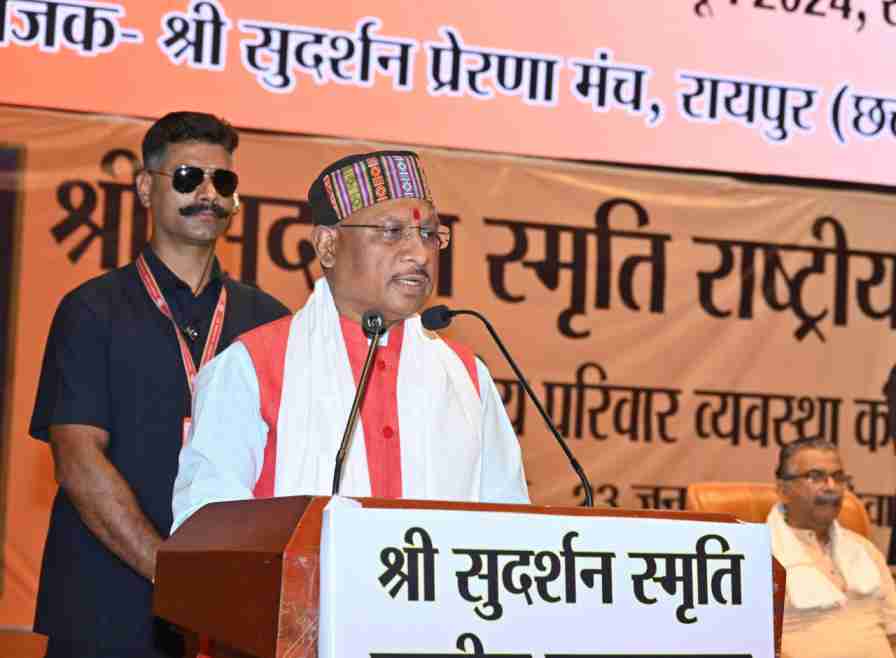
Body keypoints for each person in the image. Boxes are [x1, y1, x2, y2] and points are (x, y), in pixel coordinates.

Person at [30, 111, 291, 658]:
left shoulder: (269, 322)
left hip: (231, 612)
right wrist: (171, 573)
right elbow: (78, 461)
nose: (209, 195)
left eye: (223, 180)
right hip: (106, 606)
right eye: (189, 178)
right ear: (146, 187)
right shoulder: (91, 310)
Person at [171, 150, 528, 531]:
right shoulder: (251, 368)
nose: (420, 254)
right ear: (328, 245)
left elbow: (511, 530)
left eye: (428, 234)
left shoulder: (465, 377)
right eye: (391, 232)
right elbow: (205, 532)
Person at [768, 437, 896, 658]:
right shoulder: (758, 555)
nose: (831, 487)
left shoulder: (865, 549)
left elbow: (894, 633)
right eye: (815, 476)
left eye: (838, 477)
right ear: (783, 490)